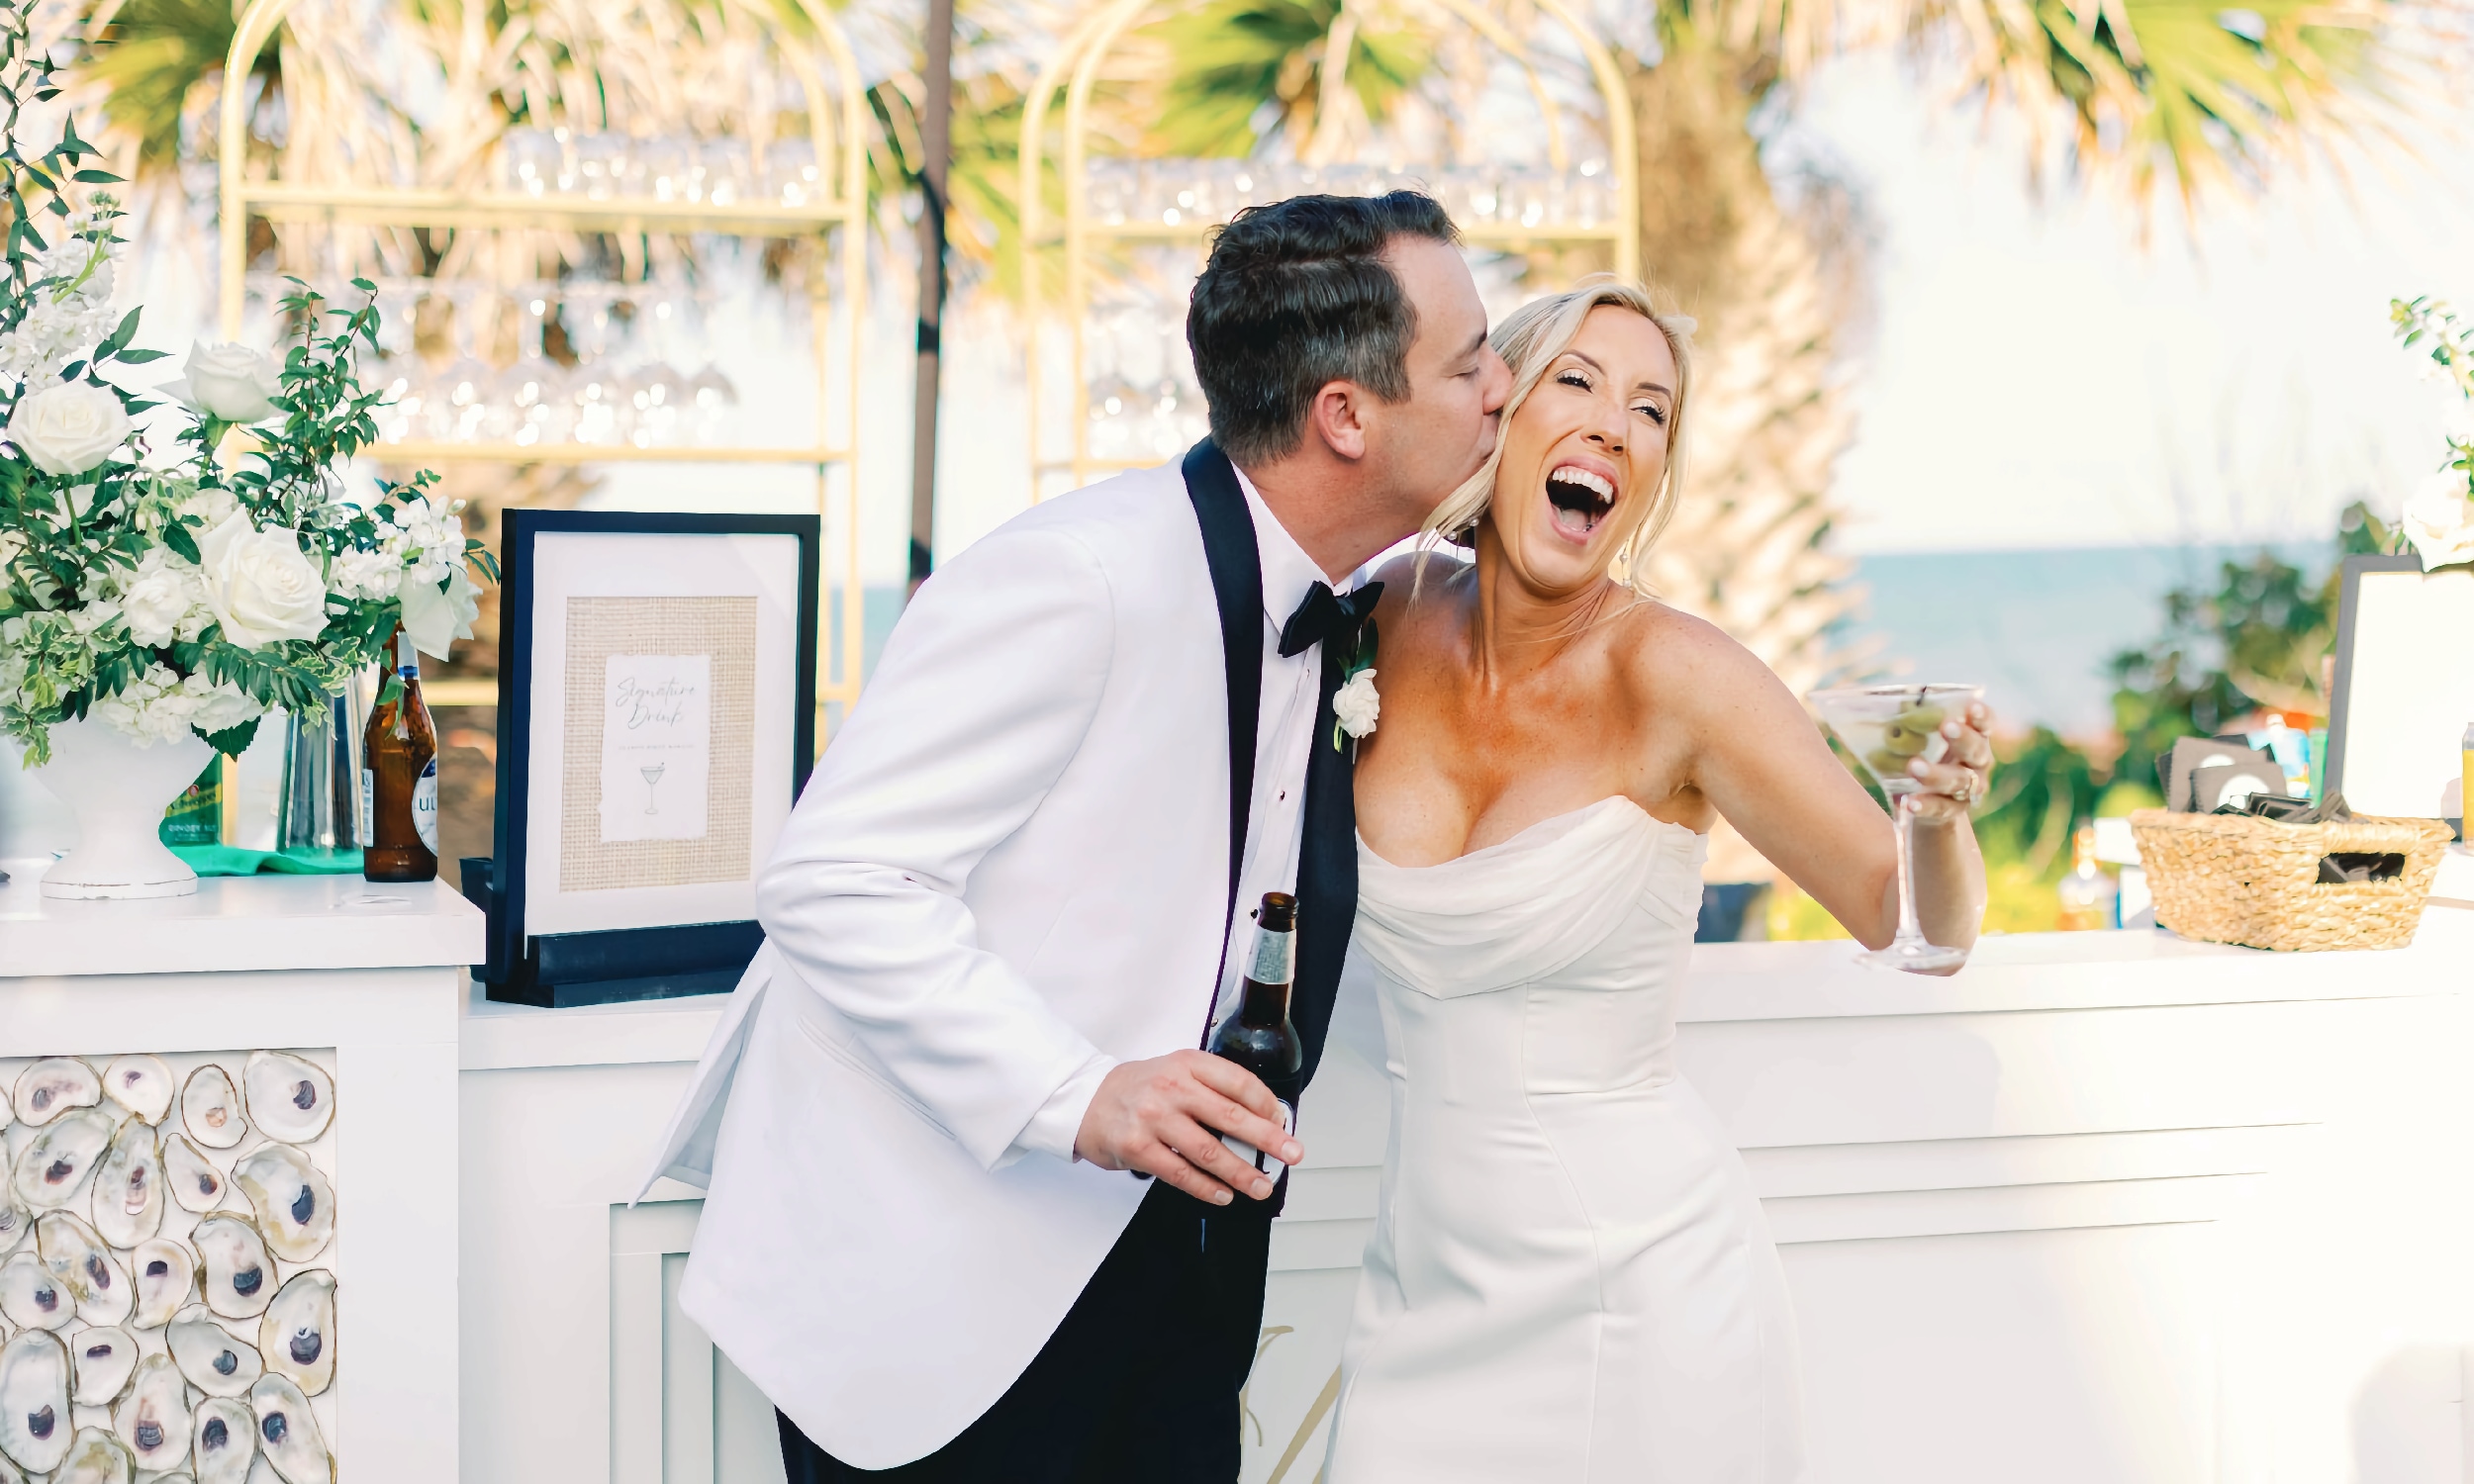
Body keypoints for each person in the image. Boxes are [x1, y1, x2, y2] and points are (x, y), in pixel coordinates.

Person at [639, 190, 1511, 1482]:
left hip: (1174, 1281)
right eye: (1472, 359)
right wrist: (1078, 1093)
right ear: (1345, 416)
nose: (1505, 386)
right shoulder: (1080, 576)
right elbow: (833, 878)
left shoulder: (1370, 600)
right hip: (943, 1291)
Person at [1322, 279, 1994, 1481]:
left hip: (1643, 1295)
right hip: (1419, 1295)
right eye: (1574, 383)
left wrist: (1933, 820)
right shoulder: (1380, 614)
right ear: (1499, 414)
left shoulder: (1679, 674)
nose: (1611, 429)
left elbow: (1916, 928)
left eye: (1650, 411)